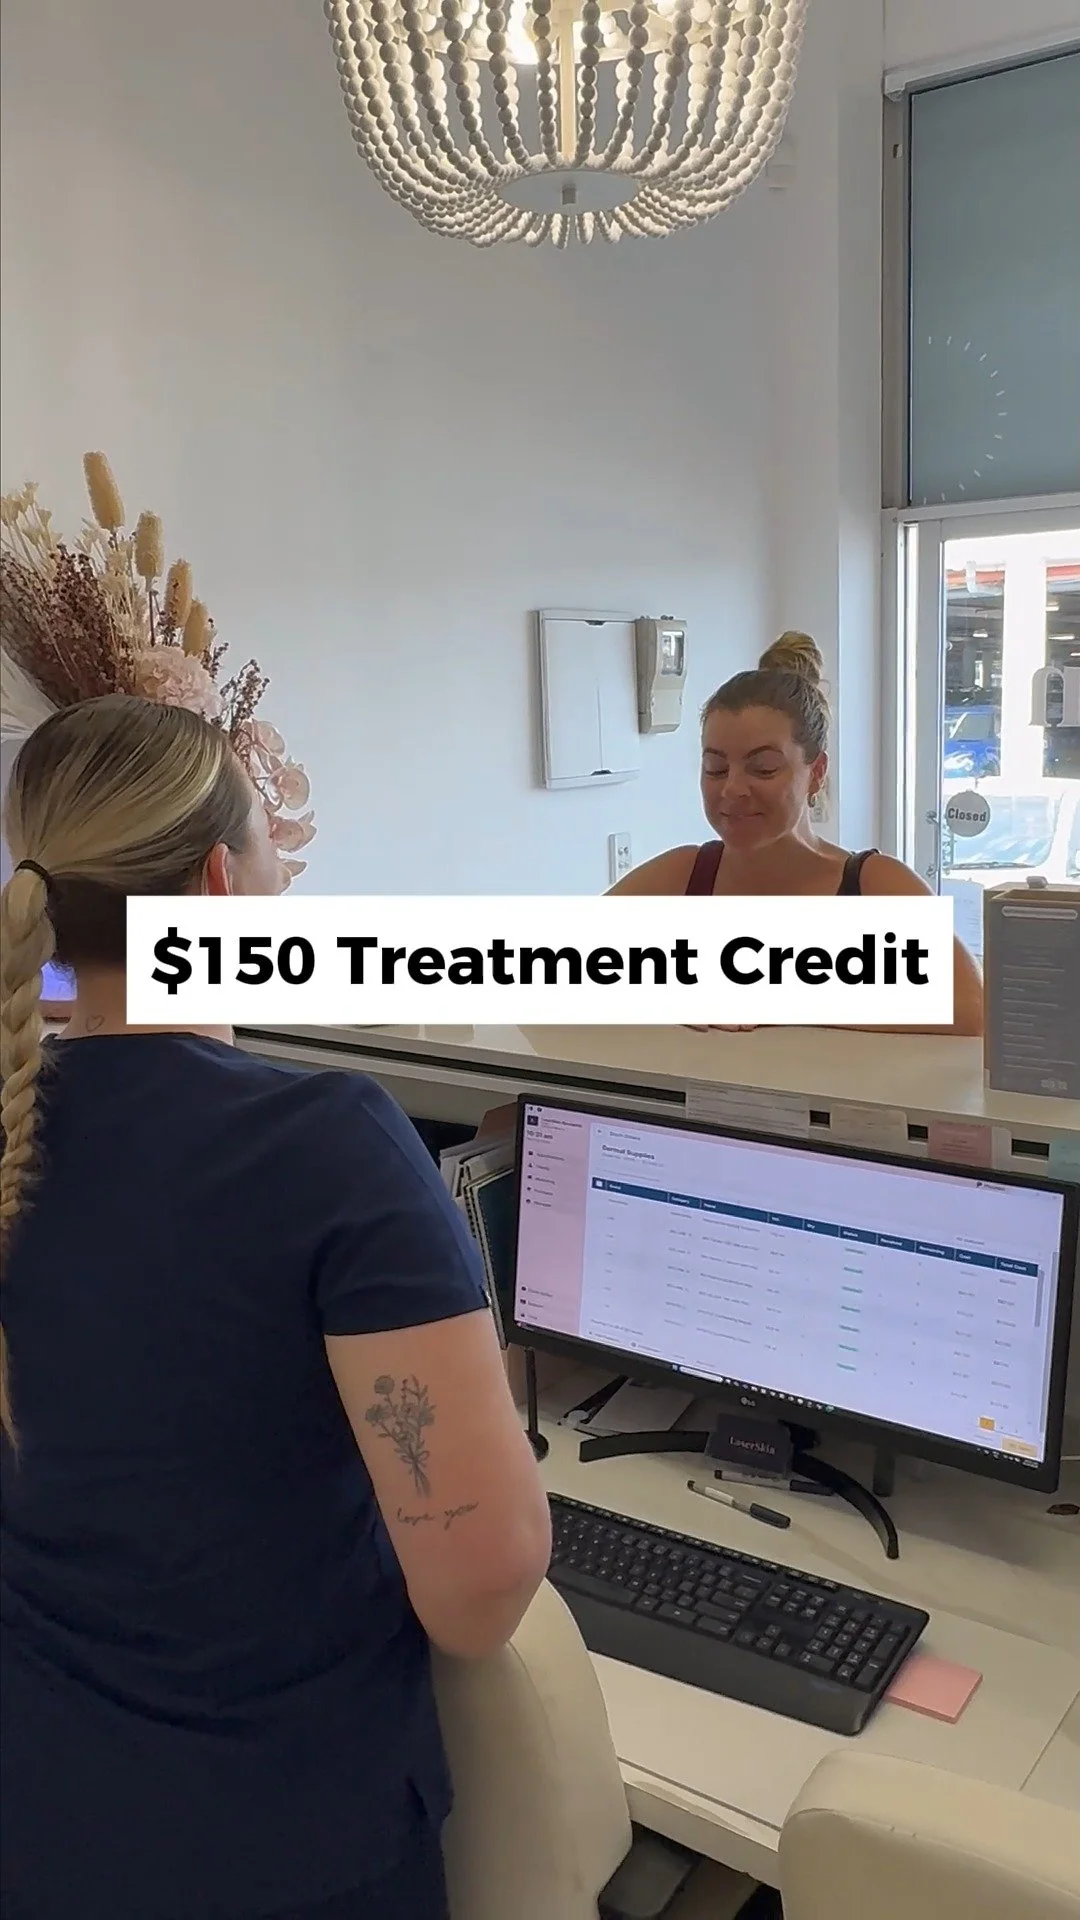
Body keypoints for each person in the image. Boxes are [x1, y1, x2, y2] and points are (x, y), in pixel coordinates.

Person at [0, 695, 551, 1920]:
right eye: (270, 845)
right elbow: (482, 1590)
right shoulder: (326, 1143)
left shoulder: (12, 1132)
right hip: (274, 1846)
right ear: (217, 883)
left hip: (40, 1819)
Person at [610, 633, 984, 1037]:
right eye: (715, 769)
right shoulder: (683, 874)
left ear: (816, 773)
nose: (732, 789)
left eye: (763, 768)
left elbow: (973, 1011)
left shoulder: (875, 886)